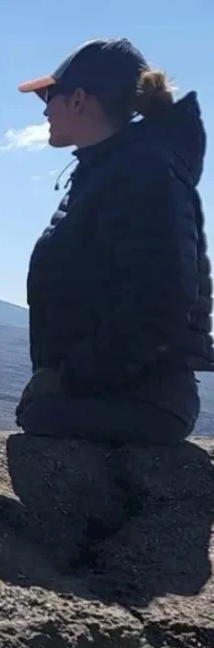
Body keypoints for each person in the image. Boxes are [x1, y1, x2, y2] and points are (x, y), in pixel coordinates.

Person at [15, 38, 214, 443]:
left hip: (141, 400)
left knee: (42, 421)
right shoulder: (111, 172)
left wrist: (69, 378)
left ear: (79, 100)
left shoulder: (144, 174)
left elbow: (159, 306)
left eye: (50, 95)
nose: (43, 108)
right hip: (116, 392)